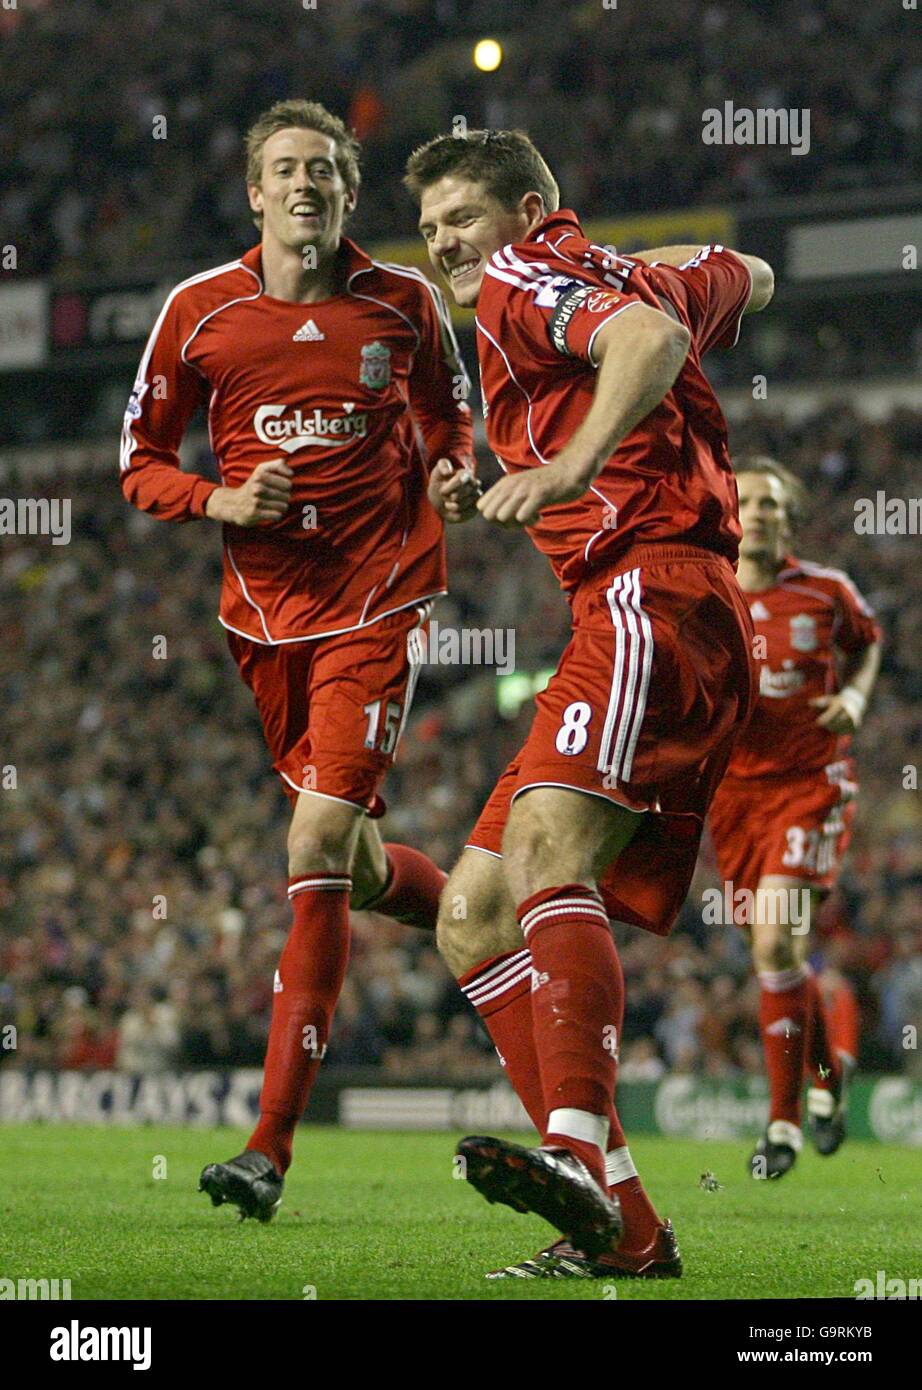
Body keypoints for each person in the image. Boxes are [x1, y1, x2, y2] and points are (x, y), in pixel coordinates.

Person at [404, 128, 773, 1277]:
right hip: (662, 609)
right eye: (428, 232)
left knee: (546, 854)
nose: (443, 246)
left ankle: (568, 1147)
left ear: (522, 209)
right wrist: (626, 271)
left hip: (644, 593)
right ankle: (631, 1232)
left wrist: (570, 465)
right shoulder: (619, 272)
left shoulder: (519, 278)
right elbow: (750, 276)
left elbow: (649, 341)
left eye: (460, 219)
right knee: (471, 913)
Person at [120, 99, 477, 1222]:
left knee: (313, 839)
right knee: (357, 867)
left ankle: (268, 1149)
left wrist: (455, 474)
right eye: (285, 169)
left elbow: (451, 421)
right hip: (260, 622)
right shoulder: (198, 312)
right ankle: (488, 909)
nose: (306, 184)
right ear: (255, 193)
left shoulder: (406, 302)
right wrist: (218, 494)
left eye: (325, 168)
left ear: (349, 192)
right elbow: (137, 461)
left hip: (378, 600)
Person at [708, 457, 881, 1178]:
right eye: (748, 501)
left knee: (778, 941)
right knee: (772, 957)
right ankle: (827, 1079)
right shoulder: (706, 593)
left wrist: (857, 699)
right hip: (733, 800)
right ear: (729, 512)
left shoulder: (826, 591)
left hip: (810, 784)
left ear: (790, 518)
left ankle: (780, 1127)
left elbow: (867, 646)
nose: (760, 513)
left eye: (774, 504)